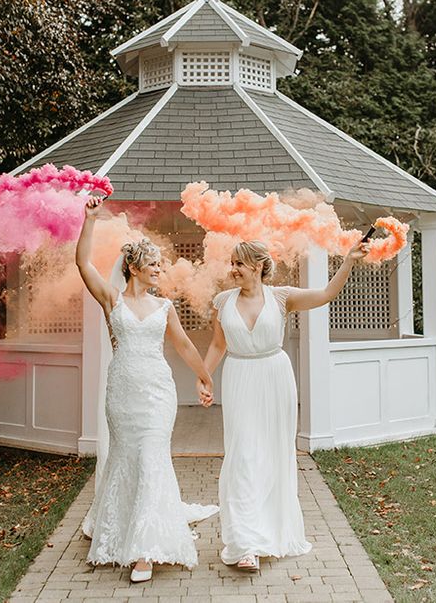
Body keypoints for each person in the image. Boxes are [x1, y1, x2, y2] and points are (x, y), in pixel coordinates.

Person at [204, 239, 369, 572]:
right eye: (232, 262)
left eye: (240, 263)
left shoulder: (281, 297)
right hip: (239, 378)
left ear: (258, 266)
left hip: (275, 377)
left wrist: (349, 261)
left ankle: (269, 533)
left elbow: (325, 294)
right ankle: (246, 544)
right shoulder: (222, 301)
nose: (233, 269)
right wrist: (203, 377)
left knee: (273, 456)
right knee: (244, 457)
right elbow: (218, 344)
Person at [76, 195, 218, 582]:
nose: (160, 269)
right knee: (127, 457)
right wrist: (89, 220)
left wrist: (205, 375)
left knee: (152, 455)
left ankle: (145, 550)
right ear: (134, 268)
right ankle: (121, 528)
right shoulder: (111, 301)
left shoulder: (165, 307)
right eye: (153, 264)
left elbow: (185, 345)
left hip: (157, 392)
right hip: (122, 392)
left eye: (160, 264)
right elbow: (83, 264)